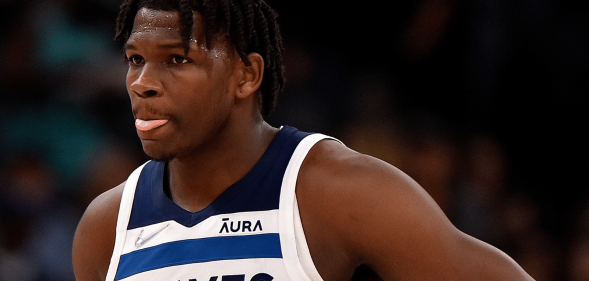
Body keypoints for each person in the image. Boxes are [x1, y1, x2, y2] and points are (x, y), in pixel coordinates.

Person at [72, 0, 535, 280]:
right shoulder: (105, 228)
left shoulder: (335, 190)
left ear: (246, 74)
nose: (141, 83)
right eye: (135, 59)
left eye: (176, 59)